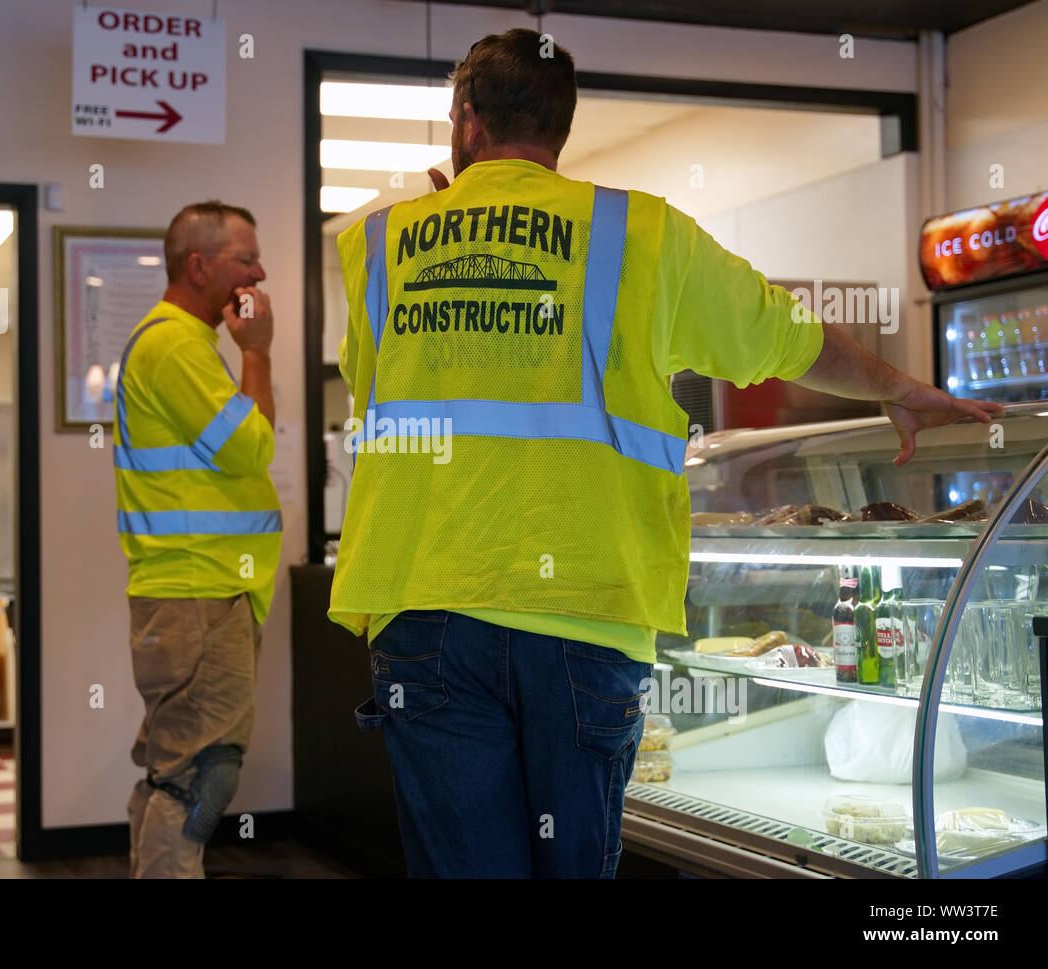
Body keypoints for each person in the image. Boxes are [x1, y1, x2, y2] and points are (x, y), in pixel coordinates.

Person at [329, 29, 1001, 878]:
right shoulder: (639, 232)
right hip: (586, 607)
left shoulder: (379, 246)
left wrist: (443, 237)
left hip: (422, 604)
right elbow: (790, 341)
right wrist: (902, 389)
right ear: (563, 126)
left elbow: (371, 386)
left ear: (465, 124)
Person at [115, 201, 281, 878]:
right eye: (246, 258)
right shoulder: (177, 345)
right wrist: (257, 353)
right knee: (197, 782)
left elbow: (240, 447)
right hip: (199, 596)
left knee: (173, 776)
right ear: (198, 265)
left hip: (195, 595)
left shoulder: (180, 343)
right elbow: (251, 446)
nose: (260, 270)